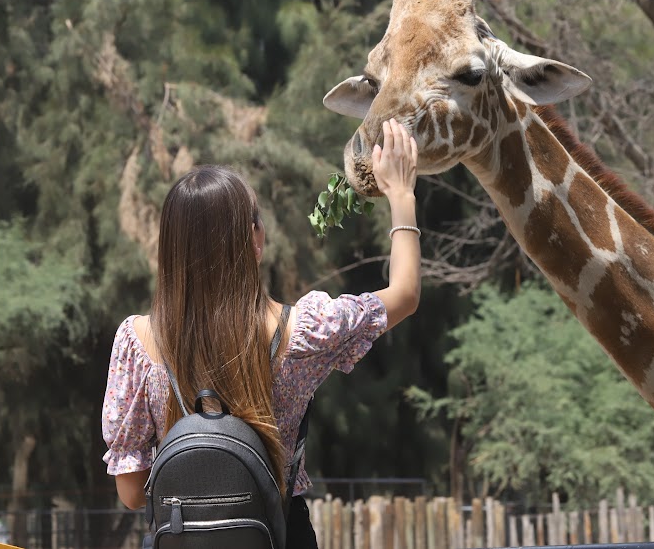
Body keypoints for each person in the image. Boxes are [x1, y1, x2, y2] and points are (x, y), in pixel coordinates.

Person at [101, 119, 420, 548]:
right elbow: (404, 293)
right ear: (254, 239)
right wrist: (401, 195)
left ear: (171, 247)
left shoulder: (136, 344)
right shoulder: (304, 332)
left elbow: (133, 493)